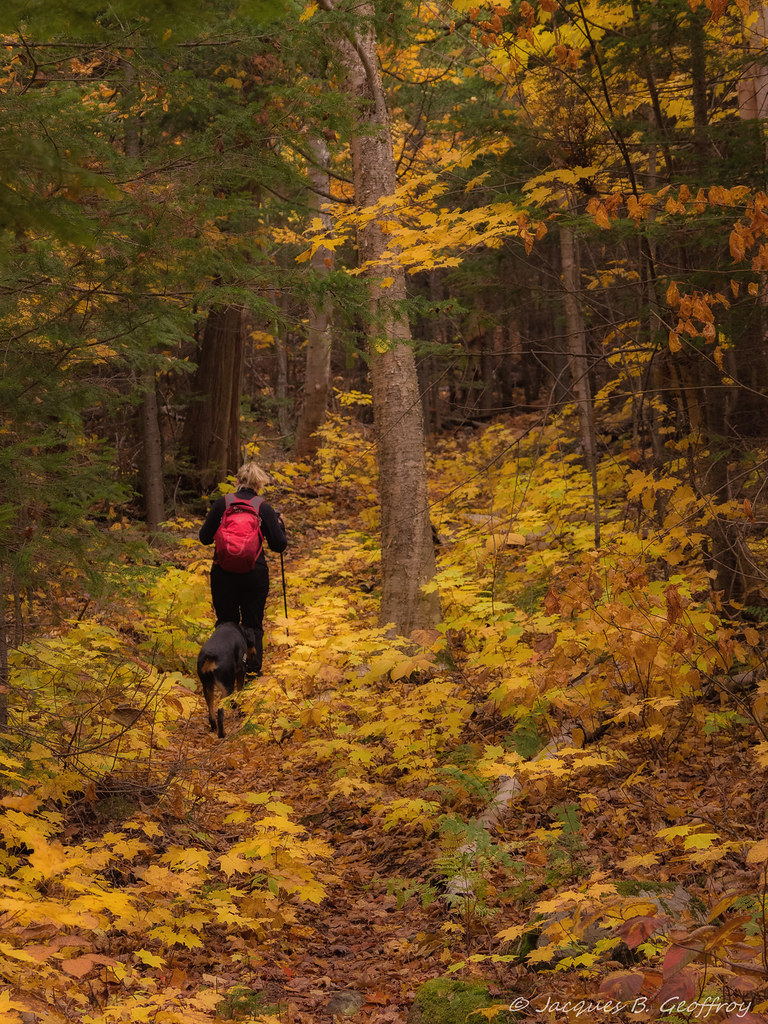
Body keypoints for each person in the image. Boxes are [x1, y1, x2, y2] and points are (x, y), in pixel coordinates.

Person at [199, 462, 287, 675]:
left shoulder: (223, 504)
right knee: (253, 624)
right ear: (259, 485)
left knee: (226, 623)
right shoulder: (262, 507)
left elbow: (204, 538)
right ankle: (251, 673)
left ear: (237, 482)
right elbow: (279, 545)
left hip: (223, 572)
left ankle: (225, 670)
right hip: (254, 574)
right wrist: (279, 525)